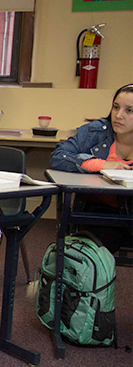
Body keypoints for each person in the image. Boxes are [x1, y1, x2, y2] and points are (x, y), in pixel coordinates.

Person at [50, 83, 133, 253]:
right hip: (100, 214)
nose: (118, 115)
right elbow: (58, 157)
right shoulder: (97, 131)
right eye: (116, 107)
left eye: (129, 110)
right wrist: (101, 164)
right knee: (88, 250)